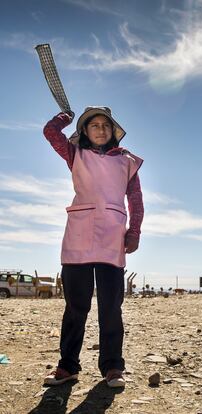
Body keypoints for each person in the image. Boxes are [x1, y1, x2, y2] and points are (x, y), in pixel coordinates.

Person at [42, 107, 144, 388]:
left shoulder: (127, 161)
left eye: (106, 125)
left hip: (112, 238)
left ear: (113, 131)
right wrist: (64, 117)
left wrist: (134, 231)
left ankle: (113, 367)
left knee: (111, 307)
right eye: (94, 125)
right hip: (78, 236)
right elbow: (50, 133)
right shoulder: (76, 155)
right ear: (84, 131)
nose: (100, 129)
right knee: (76, 306)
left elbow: (135, 199)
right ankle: (67, 367)